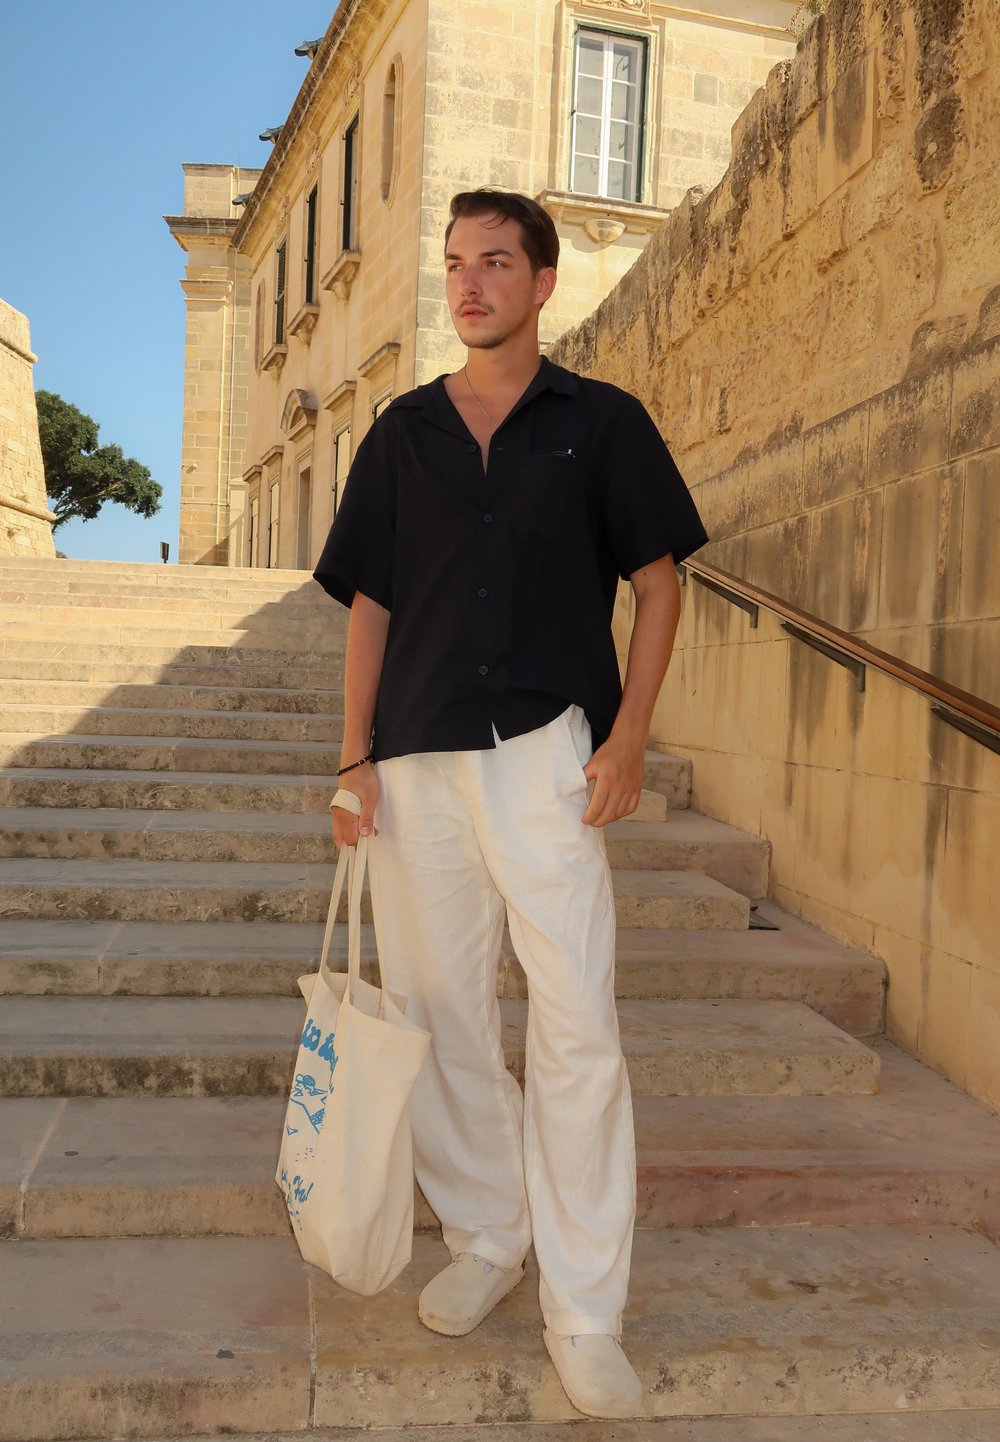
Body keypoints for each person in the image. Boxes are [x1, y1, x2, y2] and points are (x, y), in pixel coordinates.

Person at [313, 188, 708, 1419]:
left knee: (576, 1020)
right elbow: (372, 602)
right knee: (443, 1016)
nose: (469, 283)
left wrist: (629, 737)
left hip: (545, 756)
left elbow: (659, 583)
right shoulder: (401, 432)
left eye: (494, 261)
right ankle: (488, 1231)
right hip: (415, 764)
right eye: (454, 264)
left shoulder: (602, 423)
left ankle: (585, 1309)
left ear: (543, 282)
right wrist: (352, 761)